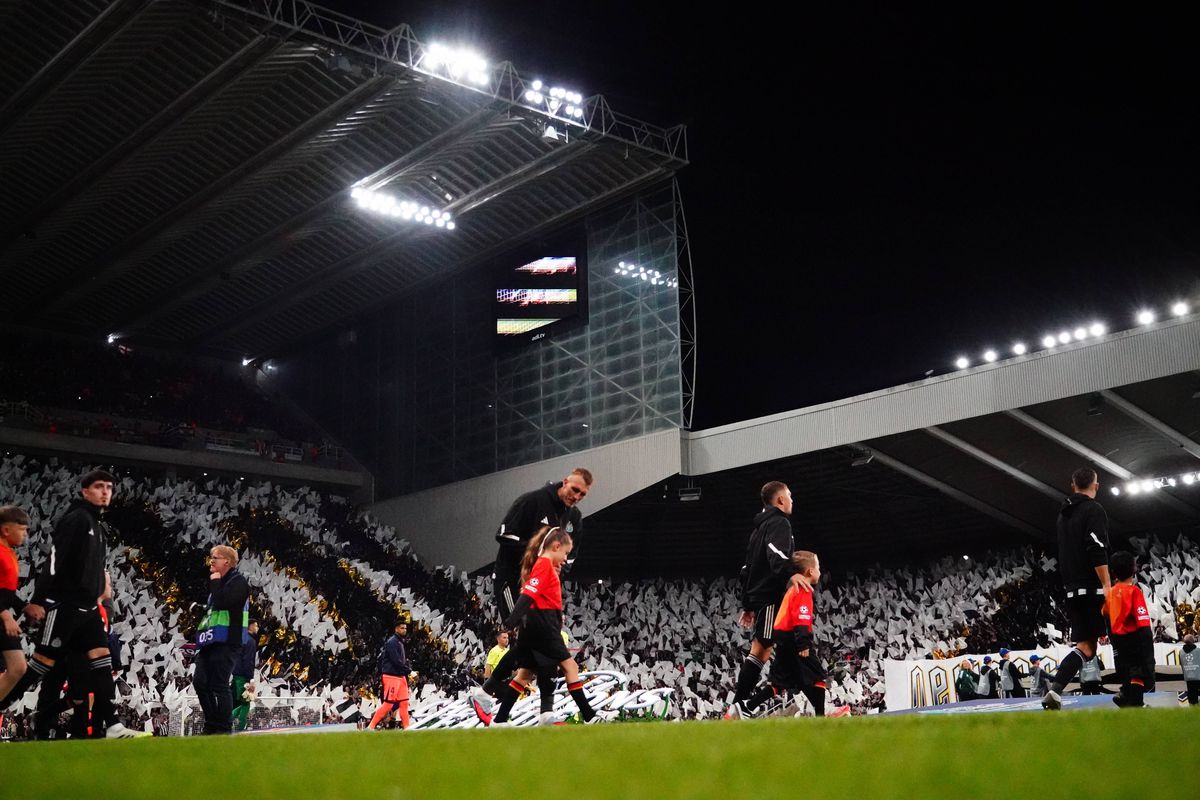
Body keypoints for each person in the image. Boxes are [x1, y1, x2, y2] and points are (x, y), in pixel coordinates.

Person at [0, 470, 138, 738]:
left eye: (109, 487)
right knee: (41, 664)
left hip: (88, 608)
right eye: (99, 486)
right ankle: (4, 703)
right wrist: (38, 601)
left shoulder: (98, 525)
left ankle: (113, 725)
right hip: (66, 605)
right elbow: (54, 560)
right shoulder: (77, 519)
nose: (105, 492)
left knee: (102, 662)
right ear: (85, 491)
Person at [472, 468, 592, 718]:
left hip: (542, 589)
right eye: (575, 489)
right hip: (512, 581)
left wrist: (553, 578)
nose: (577, 496)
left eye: (583, 494)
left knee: (537, 650)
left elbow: (570, 559)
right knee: (529, 642)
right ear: (565, 481)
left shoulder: (574, 518)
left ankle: (535, 712)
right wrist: (539, 558)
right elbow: (504, 535)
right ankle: (495, 695)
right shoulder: (532, 501)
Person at [488, 527, 599, 726]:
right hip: (544, 627)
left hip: (541, 625)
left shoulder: (545, 565)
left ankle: (500, 718)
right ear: (556, 546)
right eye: (565, 552)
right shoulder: (544, 565)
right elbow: (529, 595)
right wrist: (511, 621)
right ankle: (590, 716)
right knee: (570, 666)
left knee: (525, 674)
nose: (566, 558)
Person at [726, 551, 849, 718]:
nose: (820, 571)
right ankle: (822, 717)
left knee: (778, 682)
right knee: (818, 676)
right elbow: (801, 618)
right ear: (810, 571)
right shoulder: (803, 589)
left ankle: (745, 707)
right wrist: (803, 643)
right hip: (795, 640)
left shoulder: (791, 589)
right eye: (818, 567)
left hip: (783, 638)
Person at [731, 481, 808, 705]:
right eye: (789, 495)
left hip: (762, 597)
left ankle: (740, 707)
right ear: (780, 499)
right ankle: (737, 707)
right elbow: (777, 554)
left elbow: (747, 569)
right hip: (771, 596)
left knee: (767, 650)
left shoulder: (758, 530)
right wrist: (790, 574)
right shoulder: (779, 523)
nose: (792, 500)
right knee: (761, 649)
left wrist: (748, 604)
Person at [1042, 467, 1111, 711]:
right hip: (1092, 587)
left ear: (1073, 486)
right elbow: (1096, 547)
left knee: (1086, 647)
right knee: (1122, 635)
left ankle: (1055, 689)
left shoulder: (1063, 515)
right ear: (1096, 486)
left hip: (1072, 588)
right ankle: (1133, 692)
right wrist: (1106, 584)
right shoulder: (1094, 509)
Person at [193, 544, 250, 734]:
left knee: (219, 683)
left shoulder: (239, 581)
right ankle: (212, 723)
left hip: (228, 641)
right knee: (200, 682)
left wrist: (216, 581)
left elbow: (223, 601)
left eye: (215, 557)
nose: (211, 561)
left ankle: (223, 727)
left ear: (227, 561)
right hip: (210, 640)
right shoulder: (218, 584)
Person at [1106, 551, 1155, 708]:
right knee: (1139, 671)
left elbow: (1105, 614)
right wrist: (1148, 644)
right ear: (1134, 569)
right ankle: (1137, 703)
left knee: (1127, 670)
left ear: (1113, 572)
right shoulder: (1134, 591)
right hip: (1135, 636)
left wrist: (1113, 640)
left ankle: (1125, 695)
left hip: (1118, 639)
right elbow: (1142, 619)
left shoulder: (1110, 593)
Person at [0, 506, 30, 704]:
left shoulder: (9, 553)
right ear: (6, 530)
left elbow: (5, 591)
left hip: (3, 618)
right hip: (2, 617)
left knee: (18, 667)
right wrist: (5, 615)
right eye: (22, 529)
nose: (25, 534)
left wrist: (23, 607)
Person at [368, 620, 415, 730]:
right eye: (402, 628)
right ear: (396, 629)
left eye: (405, 628)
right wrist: (409, 671)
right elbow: (396, 661)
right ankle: (371, 726)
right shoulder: (392, 642)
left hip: (400, 676)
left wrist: (406, 672)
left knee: (404, 703)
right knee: (388, 704)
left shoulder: (399, 642)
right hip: (391, 677)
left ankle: (407, 728)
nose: (404, 630)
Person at [231, 619, 259, 732]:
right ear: (250, 626)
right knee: (246, 702)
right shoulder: (250, 641)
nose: (257, 628)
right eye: (256, 626)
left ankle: (226, 721)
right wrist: (250, 679)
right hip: (243, 677)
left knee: (238, 702)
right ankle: (240, 728)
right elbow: (248, 661)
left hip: (235, 675)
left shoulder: (239, 639)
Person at [1181, 634, 1199, 705]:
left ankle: (1192, 705)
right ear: (1193, 641)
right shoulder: (1198, 651)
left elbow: (1182, 664)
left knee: (1191, 693)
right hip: (1198, 675)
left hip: (1188, 676)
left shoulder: (1181, 652)